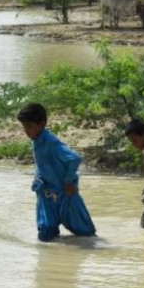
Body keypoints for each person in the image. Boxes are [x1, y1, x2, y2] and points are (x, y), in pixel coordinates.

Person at [17, 103, 97, 242]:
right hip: (46, 194)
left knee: (86, 236)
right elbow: (43, 164)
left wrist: (68, 181)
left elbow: (74, 158)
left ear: (42, 124)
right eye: (24, 127)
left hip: (66, 195)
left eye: (29, 126)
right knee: (45, 236)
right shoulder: (36, 141)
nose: (26, 131)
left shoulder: (52, 142)